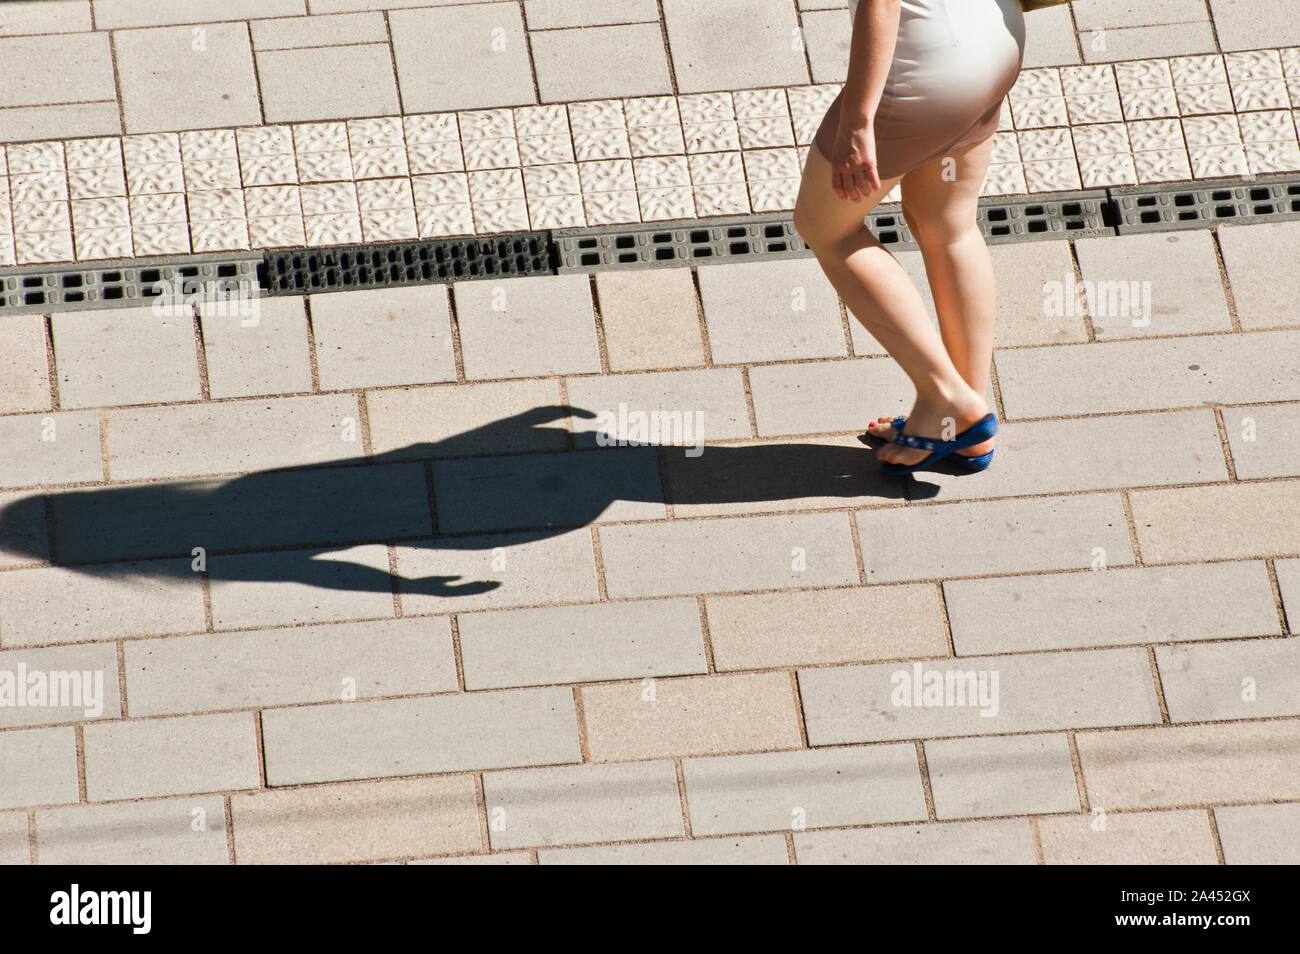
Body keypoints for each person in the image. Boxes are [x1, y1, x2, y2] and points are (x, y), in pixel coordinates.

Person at [792, 0, 1027, 474]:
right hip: (995, 44)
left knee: (826, 228)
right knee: (948, 222)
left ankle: (945, 399)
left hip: (924, 74)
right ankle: (962, 430)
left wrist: (858, 124)